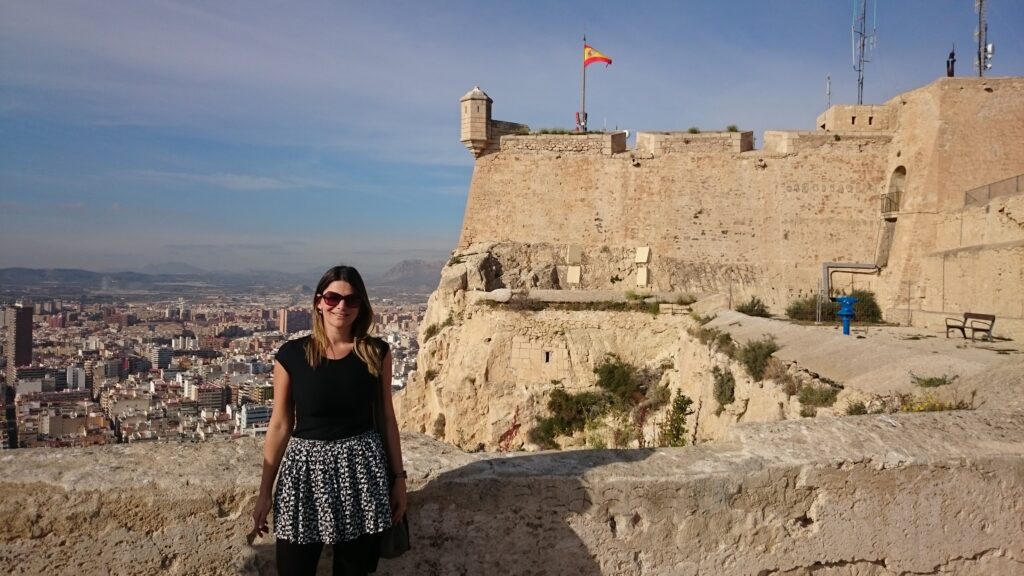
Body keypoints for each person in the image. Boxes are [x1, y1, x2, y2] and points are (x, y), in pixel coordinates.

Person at [252, 265, 407, 576]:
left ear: (361, 306)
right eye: (333, 298)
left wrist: (399, 479)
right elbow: (281, 424)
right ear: (318, 302)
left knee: (355, 569)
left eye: (351, 300)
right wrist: (265, 490)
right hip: (304, 474)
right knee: (294, 568)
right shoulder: (292, 355)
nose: (341, 307)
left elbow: (386, 418)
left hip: (363, 473)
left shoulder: (376, 353)